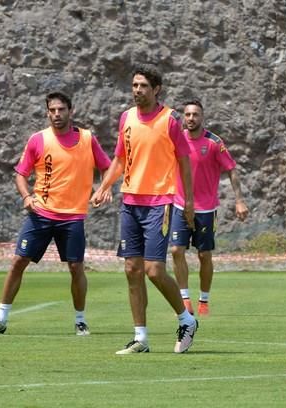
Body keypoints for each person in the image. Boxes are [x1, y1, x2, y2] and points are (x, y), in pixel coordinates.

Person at [0, 91, 112, 336]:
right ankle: (0, 319)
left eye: (61, 109)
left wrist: (105, 188)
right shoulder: (38, 140)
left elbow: (107, 167)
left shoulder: (87, 139)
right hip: (41, 214)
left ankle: (80, 320)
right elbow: (20, 174)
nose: (57, 114)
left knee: (75, 267)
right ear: (47, 112)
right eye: (52, 110)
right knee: (19, 261)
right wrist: (27, 197)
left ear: (71, 111)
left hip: (72, 216)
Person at [90, 64, 198, 354]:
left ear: (156, 89)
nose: (137, 91)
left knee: (153, 270)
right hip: (130, 202)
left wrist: (188, 201)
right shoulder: (126, 118)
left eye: (143, 86)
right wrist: (103, 187)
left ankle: (187, 320)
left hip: (160, 202)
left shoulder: (171, 120)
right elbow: (120, 159)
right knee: (131, 269)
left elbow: (185, 162)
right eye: (134, 85)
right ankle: (141, 338)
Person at [170, 99, 249, 317]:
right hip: (179, 204)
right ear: (183, 117)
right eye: (187, 115)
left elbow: (231, 169)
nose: (191, 118)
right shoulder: (177, 140)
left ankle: (203, 300)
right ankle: (184, 299)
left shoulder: (214, 142)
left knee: (204, 255)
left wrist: (239, 199)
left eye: (195, 114)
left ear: (202, 117)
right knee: (176, 250)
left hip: (205, 209)